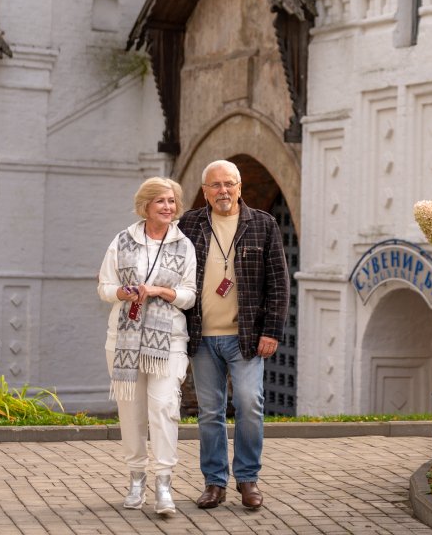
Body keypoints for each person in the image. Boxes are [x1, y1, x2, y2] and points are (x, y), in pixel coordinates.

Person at [178, 160, 289, 510]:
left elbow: (279, 283)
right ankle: (214, 483)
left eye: (228, 184)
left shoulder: (263, 224)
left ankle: (247, 478)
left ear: (239, 187)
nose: (222, 191)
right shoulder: (189, 224)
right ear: (205, 191)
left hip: (246, 337)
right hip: (201, 336)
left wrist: (271, 331)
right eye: (215, 185)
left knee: (249, 404)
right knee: (210, 412)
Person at [98, 177, 197, 515]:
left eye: (172, 201)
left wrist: (159, 291)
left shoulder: (184, 245)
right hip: (124, 341)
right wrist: (122, 292)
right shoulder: (122, 240)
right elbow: (104, 287)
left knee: (164, 407)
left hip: (169, 341)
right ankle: (136, 478)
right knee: (132, 413)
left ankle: (164, 484)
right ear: (146, 206)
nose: (168, 207)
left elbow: (189, 295)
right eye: (161, 201)